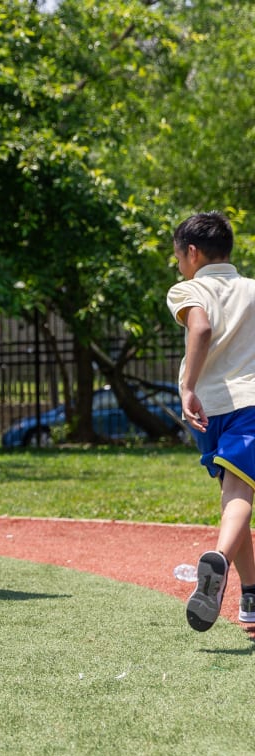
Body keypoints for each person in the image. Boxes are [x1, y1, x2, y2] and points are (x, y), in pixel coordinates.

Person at [166, 211, 255, 630]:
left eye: (177, 257)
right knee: (239, 495)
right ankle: (220, 559)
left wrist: (188, 387)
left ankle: (250, 594)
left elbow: (199, 329)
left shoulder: (188, 289)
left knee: (233, 496)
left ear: (192, 252)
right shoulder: (252, 289)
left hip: (210, 408)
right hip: (250, 404)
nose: (178, 265)